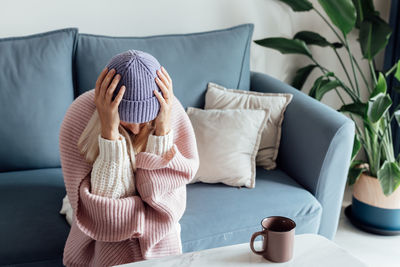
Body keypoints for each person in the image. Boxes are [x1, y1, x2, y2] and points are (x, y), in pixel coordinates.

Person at [58, 49, 200, 267]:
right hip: (95, 206)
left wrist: (162, 130)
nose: (134, 128)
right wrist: (110, 132)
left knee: (163, 235)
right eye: (126, 119)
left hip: (147, 207)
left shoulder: (172, 112)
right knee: (111, 241)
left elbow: (165, 202)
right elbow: (106, 216)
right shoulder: (78, 115)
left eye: (143, 122)